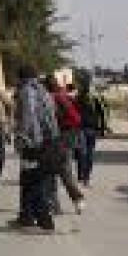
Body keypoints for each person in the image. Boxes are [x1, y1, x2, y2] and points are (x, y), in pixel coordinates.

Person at [10, 64, 60, 232]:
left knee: (32, 179)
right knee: (29, 178)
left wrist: (22, 138)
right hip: (48, 141)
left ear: (21, 77)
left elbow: (29, 117)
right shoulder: (43, 90)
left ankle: (45, 220)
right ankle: (26, 216)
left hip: (34, 144)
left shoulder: (27, 91)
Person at [45, 77, 85, 214]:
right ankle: (77, 200)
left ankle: (55, 205)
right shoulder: (64, 96)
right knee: (65, 172)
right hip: (66, 139)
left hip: (58, 139)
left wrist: (61, 126)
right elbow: (76, 119)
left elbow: (74, 118)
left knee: (50, 173)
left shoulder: (54, 98)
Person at [75, 83, 102, 187]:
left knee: (83, 153)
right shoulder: (95, 100)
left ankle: (82, 175)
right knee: (88, 154)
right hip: (90, 129)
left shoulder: (77, 100)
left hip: (82, 129)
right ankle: (86, 177)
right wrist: (101, 128)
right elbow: (101, 114)